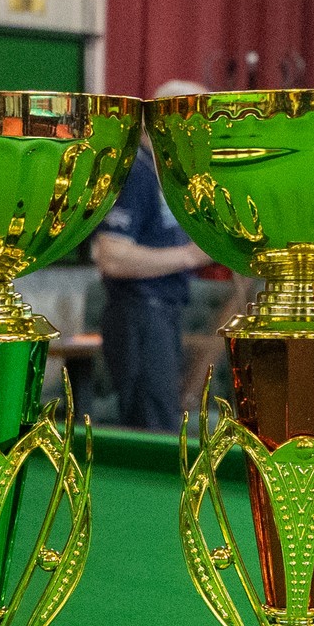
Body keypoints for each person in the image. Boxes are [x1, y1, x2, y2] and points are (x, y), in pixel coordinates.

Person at [91, 78, 211, 431]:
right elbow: (111, 256)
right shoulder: (135, 172)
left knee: (163, 422)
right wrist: (191, 255)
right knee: (154, 429)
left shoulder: (164, 174)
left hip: (162, 313)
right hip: (140, 315)